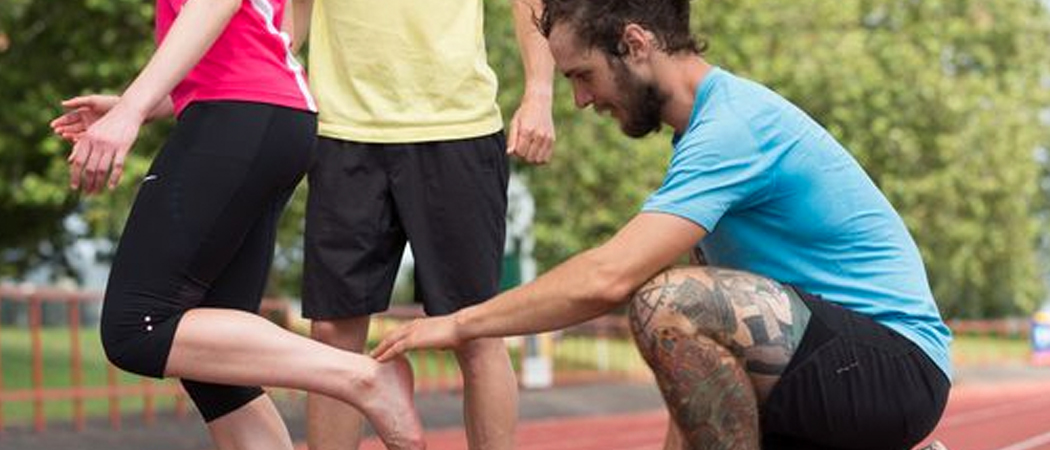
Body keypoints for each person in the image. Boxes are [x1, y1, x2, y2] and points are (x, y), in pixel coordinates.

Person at [372, 0, 952, 448]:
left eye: (583, 74)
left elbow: (609, 279)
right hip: (820, 364)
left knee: (666, 300)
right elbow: (700, 367)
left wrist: (461, 324)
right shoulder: (702, 137)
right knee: (685, 306)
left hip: (891, 367)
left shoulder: (732, 128)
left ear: (635, 43)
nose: (578, 99)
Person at [48, 0, 424, 449]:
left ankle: (363, 377)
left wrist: (132, 107)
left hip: (240, 115)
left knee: (137, 328)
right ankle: (360, 377)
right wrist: (153, 103)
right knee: (218, 369)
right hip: (265, 115)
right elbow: (264, 30)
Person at [295, 0, 556, 449]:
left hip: (457, 127)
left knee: (477, 330)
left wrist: (539, 92)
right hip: (343, 130)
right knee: (332, 335)